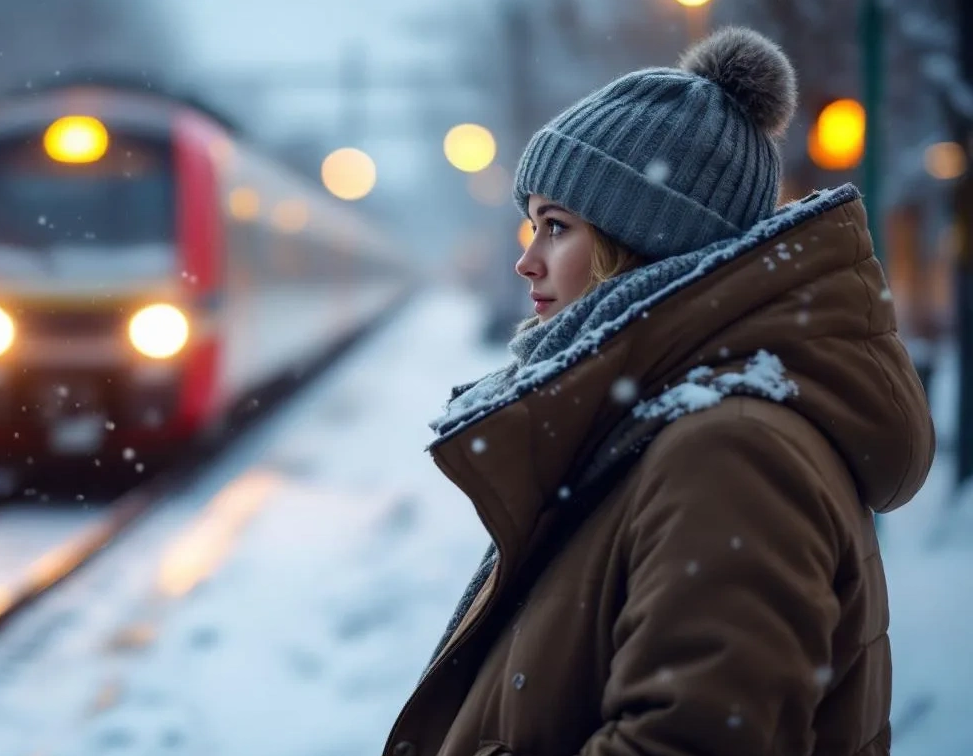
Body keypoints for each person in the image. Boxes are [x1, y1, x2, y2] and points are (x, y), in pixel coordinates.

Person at [384, 27, 934, 756]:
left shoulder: (732, 453)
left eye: (555, 227)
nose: (525, 262)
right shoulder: (658, 421)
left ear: (641, 243)